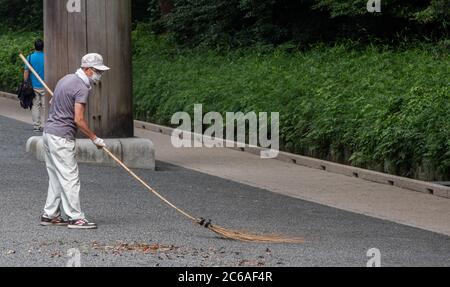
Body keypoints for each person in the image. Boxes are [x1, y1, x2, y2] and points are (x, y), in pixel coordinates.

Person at [40, 53, 109, 230]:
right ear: (87, 69)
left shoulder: (66, 79)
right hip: (62, 136)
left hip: (49, 134)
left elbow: (52, 100)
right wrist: (95, 138)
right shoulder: (81, 87)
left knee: (56, 175)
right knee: (70, 177)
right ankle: (75, 218)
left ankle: (51, 214)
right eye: (97, 71)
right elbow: (78, 119)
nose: (99, 75)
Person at [24, 39, 47, 132]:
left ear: (34, 46)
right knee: (46, 106)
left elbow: (26, 72)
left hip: (33, 86)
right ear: (43, 47)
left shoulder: (29, 57)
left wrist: (25, 83)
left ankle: (36, 126)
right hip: (46, 85)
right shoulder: (47, 57)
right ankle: (47, 125)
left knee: (35, 106)